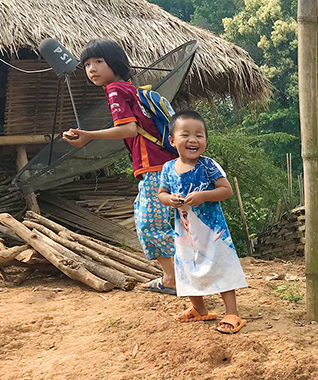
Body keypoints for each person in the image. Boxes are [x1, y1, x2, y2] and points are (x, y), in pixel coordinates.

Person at [62, 39, 177, 294]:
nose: (92, 68)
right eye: (87, 64)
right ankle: (175, 274)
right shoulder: (130, 88)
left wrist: (89, 135)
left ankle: (174, 278)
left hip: (154, 167)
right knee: (149, 216)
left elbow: (128, 128)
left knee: (150, 222)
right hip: (165, 164)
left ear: (114, 63)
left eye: (98, 62)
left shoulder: (115, 89)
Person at [158, 110, 248, 334]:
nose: (193, 140)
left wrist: (203, 196)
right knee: (187, 267)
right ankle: (199, 309)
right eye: (185, 134)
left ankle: (233, 313)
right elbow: (161, 193)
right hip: (185, 233)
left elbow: (225, 190)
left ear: (206, 140)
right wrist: (170, 200)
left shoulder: (208, 165)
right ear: (172, 140)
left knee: (221, 265)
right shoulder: (168, 168)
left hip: (212, 231)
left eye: (199, 135)